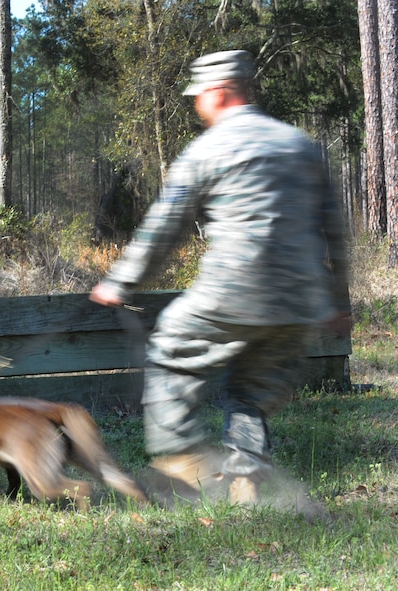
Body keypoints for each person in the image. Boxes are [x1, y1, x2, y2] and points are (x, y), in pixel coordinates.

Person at [89, 50, 351, 505]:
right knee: (250, 393)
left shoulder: (207, 149)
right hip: (298, 304)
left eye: (199, 96)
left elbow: (163, 228)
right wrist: (336, 300)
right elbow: (334, 229)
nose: (196, 106)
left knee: (171, 350)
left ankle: (183, 467)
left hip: (233, 290)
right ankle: (249, 484)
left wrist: (120, 282)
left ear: (219, 92)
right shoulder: (298, 144)